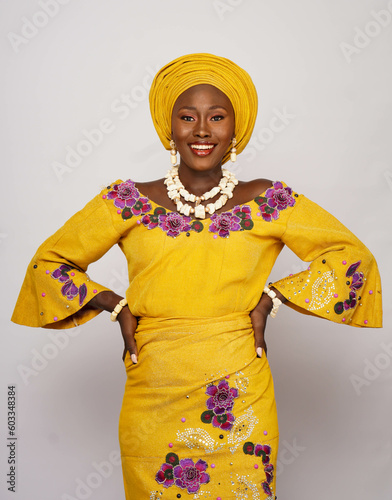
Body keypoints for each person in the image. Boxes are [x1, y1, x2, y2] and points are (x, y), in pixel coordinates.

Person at [12, 53, 382, 499]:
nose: (203, 130)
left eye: (217, 117)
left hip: (239, 397)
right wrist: (113, 304)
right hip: (154, 393)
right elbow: (48, 263)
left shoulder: (267, 199)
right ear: (169, 128)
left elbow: (352, 258)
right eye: (188, 117)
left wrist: (273, 298)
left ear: (235, 129)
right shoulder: (125, 200)